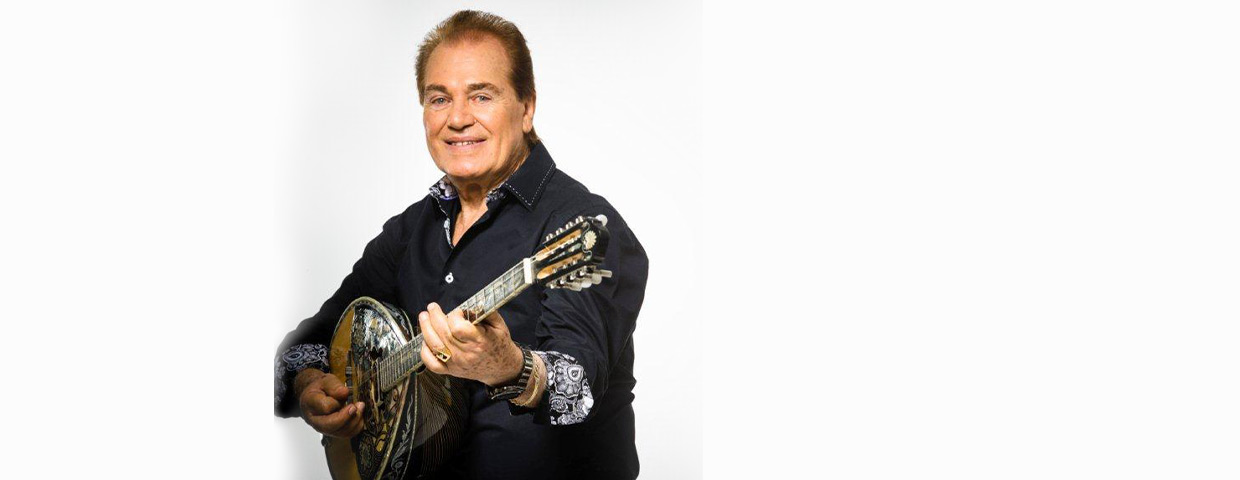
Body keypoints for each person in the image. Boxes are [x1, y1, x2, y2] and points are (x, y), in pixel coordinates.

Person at [273, 10, 648, 479]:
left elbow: (580, 388)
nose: (457, 119)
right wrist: (311, 384)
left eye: (481, 96)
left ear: (527, 108)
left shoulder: (581, 227)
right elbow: (303, 346)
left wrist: (508, 367)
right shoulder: (410, 230)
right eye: (439, 99)